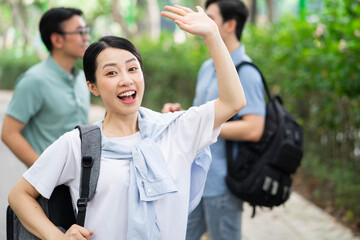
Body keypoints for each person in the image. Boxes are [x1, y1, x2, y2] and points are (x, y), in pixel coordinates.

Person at [8, 4, 247, 240]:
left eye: (133, 68)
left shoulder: (175, 130)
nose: (125, 80)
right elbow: (20, 195)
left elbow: (232, 102)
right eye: (111, 73)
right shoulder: (78, 145)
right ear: (93, 87)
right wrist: (57, 237)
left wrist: (213, 35)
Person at [162, 0, 266, 239]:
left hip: (222, 183)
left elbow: (254, 128)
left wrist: (206, 125)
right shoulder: (207, 67)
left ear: (230, 25)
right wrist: (184, 117)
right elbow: (205, 114)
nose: (202, 22)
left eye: (210, 18)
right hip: (195, 177)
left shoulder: (246, 72)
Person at [1, 7, 91, 167]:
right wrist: (44, 172)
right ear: (57, 40)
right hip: (48, 187)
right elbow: (9, 133)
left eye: (86, 31)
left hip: (79, 180)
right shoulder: (34, 80)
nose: (87, 37)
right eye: (80, 32)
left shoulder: (82, 79)